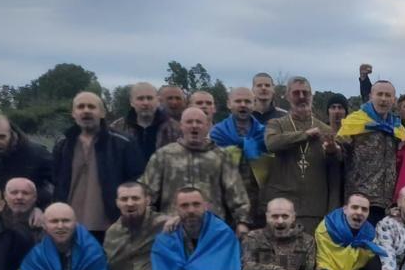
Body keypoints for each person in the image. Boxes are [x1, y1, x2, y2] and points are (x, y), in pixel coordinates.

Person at [141, 107, 251, 232]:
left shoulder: (221, 156)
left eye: (199, 122)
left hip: (213, 230)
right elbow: (146, 196)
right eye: (189, 122)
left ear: (207, 126)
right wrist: (156, 223)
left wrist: (242, 222)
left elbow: (237, 194)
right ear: (181, 126)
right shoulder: (163, 156)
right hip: (172, 229)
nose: (194, 126)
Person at [51, 92, 145, 238]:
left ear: (102, 113)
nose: (86, 110)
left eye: (91, 107)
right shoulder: (63, 144)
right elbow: (55, 182)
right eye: (81, 107)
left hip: (110, 226)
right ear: (73, 113)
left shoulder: (123, 143)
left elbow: (137, 180)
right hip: (69, 226)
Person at [263, 76, 342, 233]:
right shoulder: (277, 124)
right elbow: (272, 144)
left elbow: (335, 173)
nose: (301, 97)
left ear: (311, 96)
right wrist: (304, 135)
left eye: (305, 93)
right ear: (287, 96)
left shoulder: (325, 130)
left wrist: (333, 153)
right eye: (296, 93)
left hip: (315, 209)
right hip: (282, 209)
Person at [336, 78, 404, 218]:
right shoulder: (354, 123)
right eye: (379, 94)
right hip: (360, 201)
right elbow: (338, 155)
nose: (383, 99)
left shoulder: (397, 128)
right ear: (370, 97)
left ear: (394, 100)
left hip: (388, 202)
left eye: (388, 95)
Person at [211, 87, 269, 226]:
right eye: (238, 101)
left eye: (247, 101)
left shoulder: (264, 134)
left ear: (254, 104)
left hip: (258, 204)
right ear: (229, 104)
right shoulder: (217, 134)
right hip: (225, 202)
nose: (243, 104)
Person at [109, 81, 176, 162]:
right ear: (131, 102)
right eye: (140, 98)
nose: (146, 103)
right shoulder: (117, 128)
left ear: (158, 101)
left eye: (150, 98)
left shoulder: (174, 128)